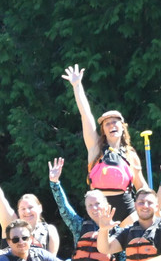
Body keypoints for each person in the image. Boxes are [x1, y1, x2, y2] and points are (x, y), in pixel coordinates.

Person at [62, 64, 146, 223]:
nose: (112, 126)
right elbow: (86, 115)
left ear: (122, 127)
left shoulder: (130, 154)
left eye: (115, 122)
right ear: (103, 130)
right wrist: (77, 86)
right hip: (99, 208)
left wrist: (153, 204)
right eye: (107, 124)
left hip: (127, 207)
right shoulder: (96, 148)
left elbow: (142, 187)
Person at [47, 157, 116, 261]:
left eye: (97, 204)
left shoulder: (116, 229)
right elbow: (64, 207)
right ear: (86, 208)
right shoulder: (78, 226)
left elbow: (123, 259)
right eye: (90, 205)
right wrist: (55, 182)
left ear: (106, 205)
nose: (94, 208)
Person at [96, 188, 161, 261]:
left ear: (156, 207)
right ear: (135, 205)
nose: (145, 206)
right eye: (141, 202)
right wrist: (103, 230)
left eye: (149, 203)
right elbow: (105, 248)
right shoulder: (129, 231)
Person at [0, 159, 59, 255]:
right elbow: (0, 200)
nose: (27, 211)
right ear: (18, 211)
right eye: (23, 208)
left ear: (40, 208)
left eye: (31, 207)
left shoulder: (49, 231)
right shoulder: (11, 224)